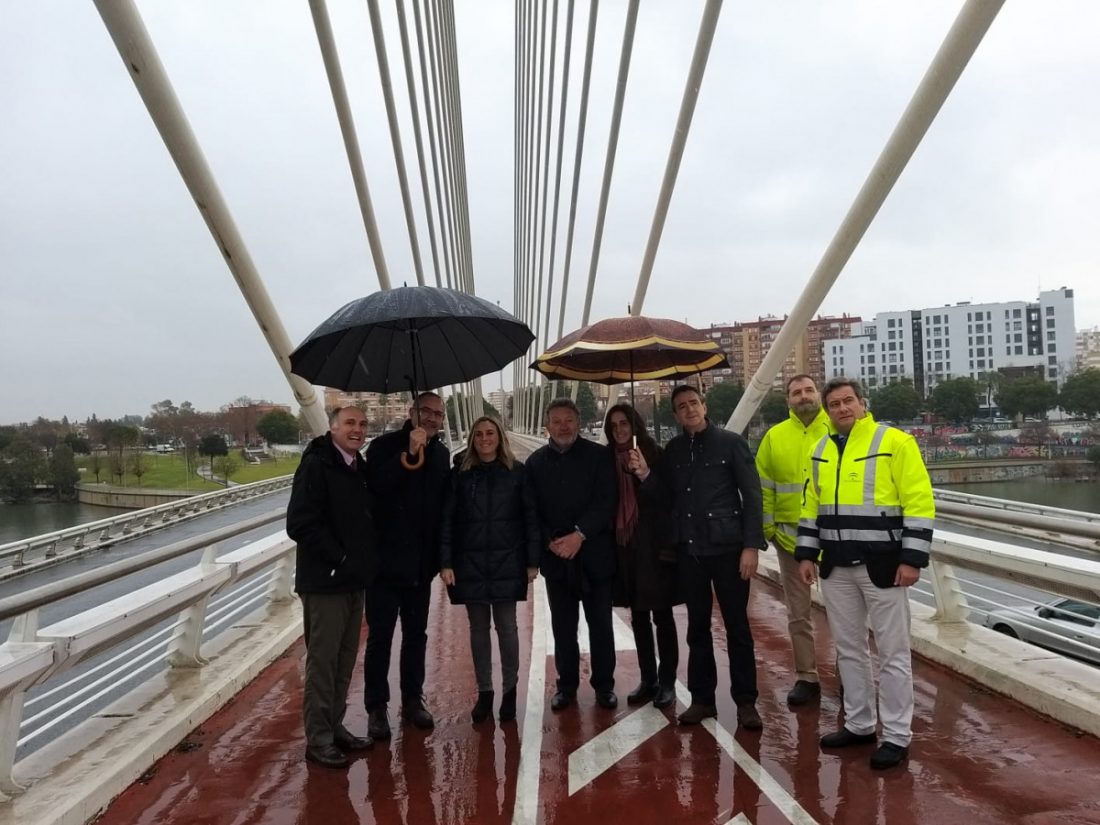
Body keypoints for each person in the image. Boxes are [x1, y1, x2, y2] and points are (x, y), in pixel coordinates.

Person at [796, 377, 934, 770]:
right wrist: (807, 554)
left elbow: (919, 502)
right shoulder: (820, 450)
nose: (842, 409)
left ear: (862, 403)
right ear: (827, 410)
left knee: (893, 652)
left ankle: (896, 736)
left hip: (884, 566)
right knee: (849, 649)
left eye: (848, 401)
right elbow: (811, 507)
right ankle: (859, 724)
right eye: (834, 404)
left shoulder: (894, 443)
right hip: (837, 566)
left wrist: (912, 559)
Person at [630, 384, 766, 730]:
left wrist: (751, 547)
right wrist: (644, 472)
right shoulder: (674, 450)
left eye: (693, 403)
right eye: (681, 406)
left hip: (728, 549)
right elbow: (663, 494)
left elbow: (752, 497)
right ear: (675, 415)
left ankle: (746, 702)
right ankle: (703, 699)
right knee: (697, 628)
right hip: (690, 552)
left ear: (704, 407)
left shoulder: (731, 444)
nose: (689, 409)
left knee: (737, 627)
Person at [286, 406, 378, 768]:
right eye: (350, 423)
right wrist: (340, 559)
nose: (357, 430)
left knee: (343, 661)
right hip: (326, 583)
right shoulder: (317, 465)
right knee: (323, 663)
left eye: (363, 424)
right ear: (333, 427)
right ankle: (318, 739)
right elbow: (300, 523)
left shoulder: (358, 467)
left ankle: (335, 726)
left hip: (353, 581)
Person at [440, 416, 539, 723]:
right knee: (478, 630)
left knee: (507, 629)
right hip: (469, 563)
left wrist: (532, 561)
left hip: (507, 561)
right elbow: (447, 521)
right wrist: (446, 563)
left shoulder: (516, 473)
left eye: (490, 433)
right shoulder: (460, 475)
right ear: (472, 439)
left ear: (500, 437)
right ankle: (485, 693)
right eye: (479, 434)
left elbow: (530, 519)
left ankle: (509, 692)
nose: (485, 438)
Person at [363, 391, 450, 739]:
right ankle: (376, 707)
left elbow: (444, 508)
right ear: (412, 412)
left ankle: (413, 700)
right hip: (384, 565)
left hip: (419, 566)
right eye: (426, 411)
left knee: (416, 635)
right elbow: (376, 490)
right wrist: (409, 455)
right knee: (380, 638)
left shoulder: (442, 454)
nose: (431, 419)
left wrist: (442, 559)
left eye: (438, 415)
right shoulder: (383, 448)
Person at [525, 398, 618, 711]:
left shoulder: (600, 456)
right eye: (556, 421)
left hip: (594, 555)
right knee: (563, 627)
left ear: (578, 423)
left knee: (601, 625)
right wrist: (548, 541)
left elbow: (607, 501)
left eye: (568, 420)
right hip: (557, 560)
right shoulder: (535, 463)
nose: (563, 426)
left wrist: (580, 534)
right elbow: (530, 509)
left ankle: (604, 685)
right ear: (546, 426)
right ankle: (567, 686)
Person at [755, 374, 831, 707]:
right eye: (796, 392)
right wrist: (768, 531)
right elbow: (764, 487)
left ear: (819, 394)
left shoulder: (839, 429)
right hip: (789, 540)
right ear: (787, 400)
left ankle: (851, 678)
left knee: (845, 616)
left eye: (809, 390)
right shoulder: (775, 437)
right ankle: (807, 677)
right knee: (798, 614)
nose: (803, 397)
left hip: (835, 540)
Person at [604, 403, 680, 709]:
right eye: (614, 426)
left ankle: (668, 681)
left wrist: (644, 473)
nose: (620, 430)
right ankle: (648, 679)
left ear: (635, 425)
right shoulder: (607, 460)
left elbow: (667, 498)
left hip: (653, 546)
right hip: (624, 547)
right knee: (638, 615)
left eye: (625, 423)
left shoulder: (653, 453)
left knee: (661, 614)